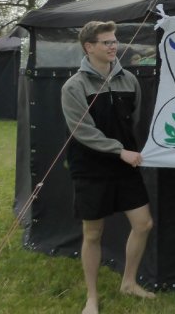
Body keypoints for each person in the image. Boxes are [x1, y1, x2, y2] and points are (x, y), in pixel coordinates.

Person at [61, 21, 155, 314]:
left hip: (125, 166)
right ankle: (91, 297)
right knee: (93, 234)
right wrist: (119, 150)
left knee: (143, 224)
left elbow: (134, 119)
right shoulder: (74, 86)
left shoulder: (130, 80)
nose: (114, 46)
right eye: (107, 42)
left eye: (114, 41)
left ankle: (129, 282)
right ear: (89, 47)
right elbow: (82, 131)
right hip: (91, 168)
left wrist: (127, 152)